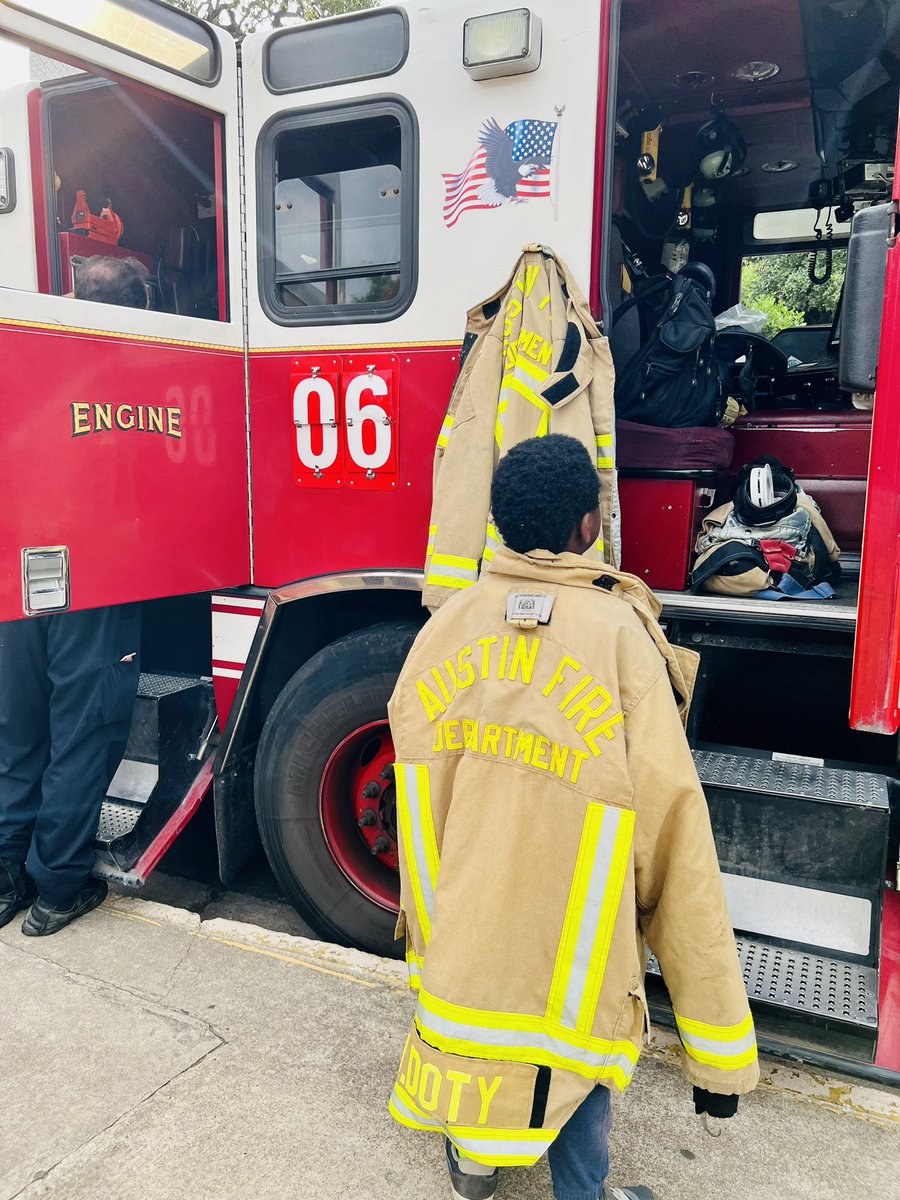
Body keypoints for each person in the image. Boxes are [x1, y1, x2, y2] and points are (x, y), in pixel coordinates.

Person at [387, 434, 759, 1200]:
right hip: (571, 978)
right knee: (574, 1070)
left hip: (461, 948)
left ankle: (476, 1163)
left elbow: (418, 808)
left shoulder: (443, 632)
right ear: (588, 527)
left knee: (473, 1034)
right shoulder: (619, 640)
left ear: (498, 523)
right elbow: (674, 847)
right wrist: (716, 1056)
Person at [0, 255, 148, 937]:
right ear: (139, 307)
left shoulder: (19, 358)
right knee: (81, 735)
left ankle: (6, 881)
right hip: (93, 580)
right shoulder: (136, 377)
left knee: (17, 736)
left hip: (12, 580)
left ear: (69, 296)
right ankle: (57, 890)